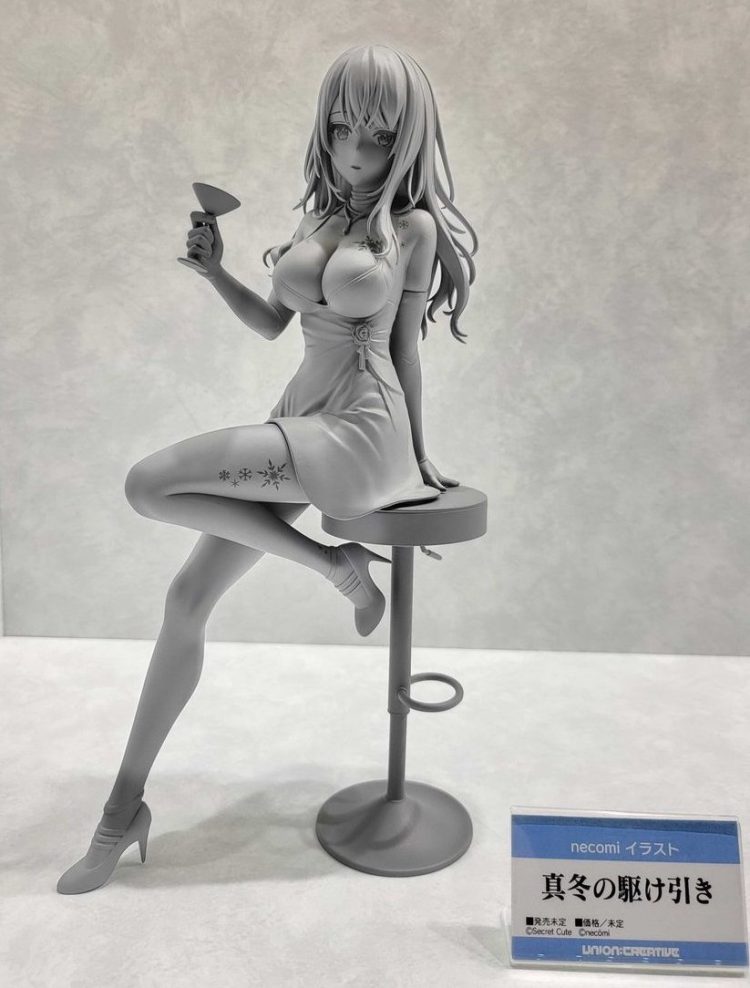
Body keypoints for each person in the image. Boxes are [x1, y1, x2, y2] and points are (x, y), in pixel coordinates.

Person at [56, 43, 478, 894]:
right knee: (186, 599)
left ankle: (337, 567)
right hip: (298, 415)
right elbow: (273, 323)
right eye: (342, 125)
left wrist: (420, 460)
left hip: (362, 428)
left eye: (378, 133)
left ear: (405, 138)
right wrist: (214, 272)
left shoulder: (413, 229)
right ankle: (121, 809)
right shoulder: (318, 217)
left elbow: (406, 349)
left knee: (148, 482)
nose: (355, 147)